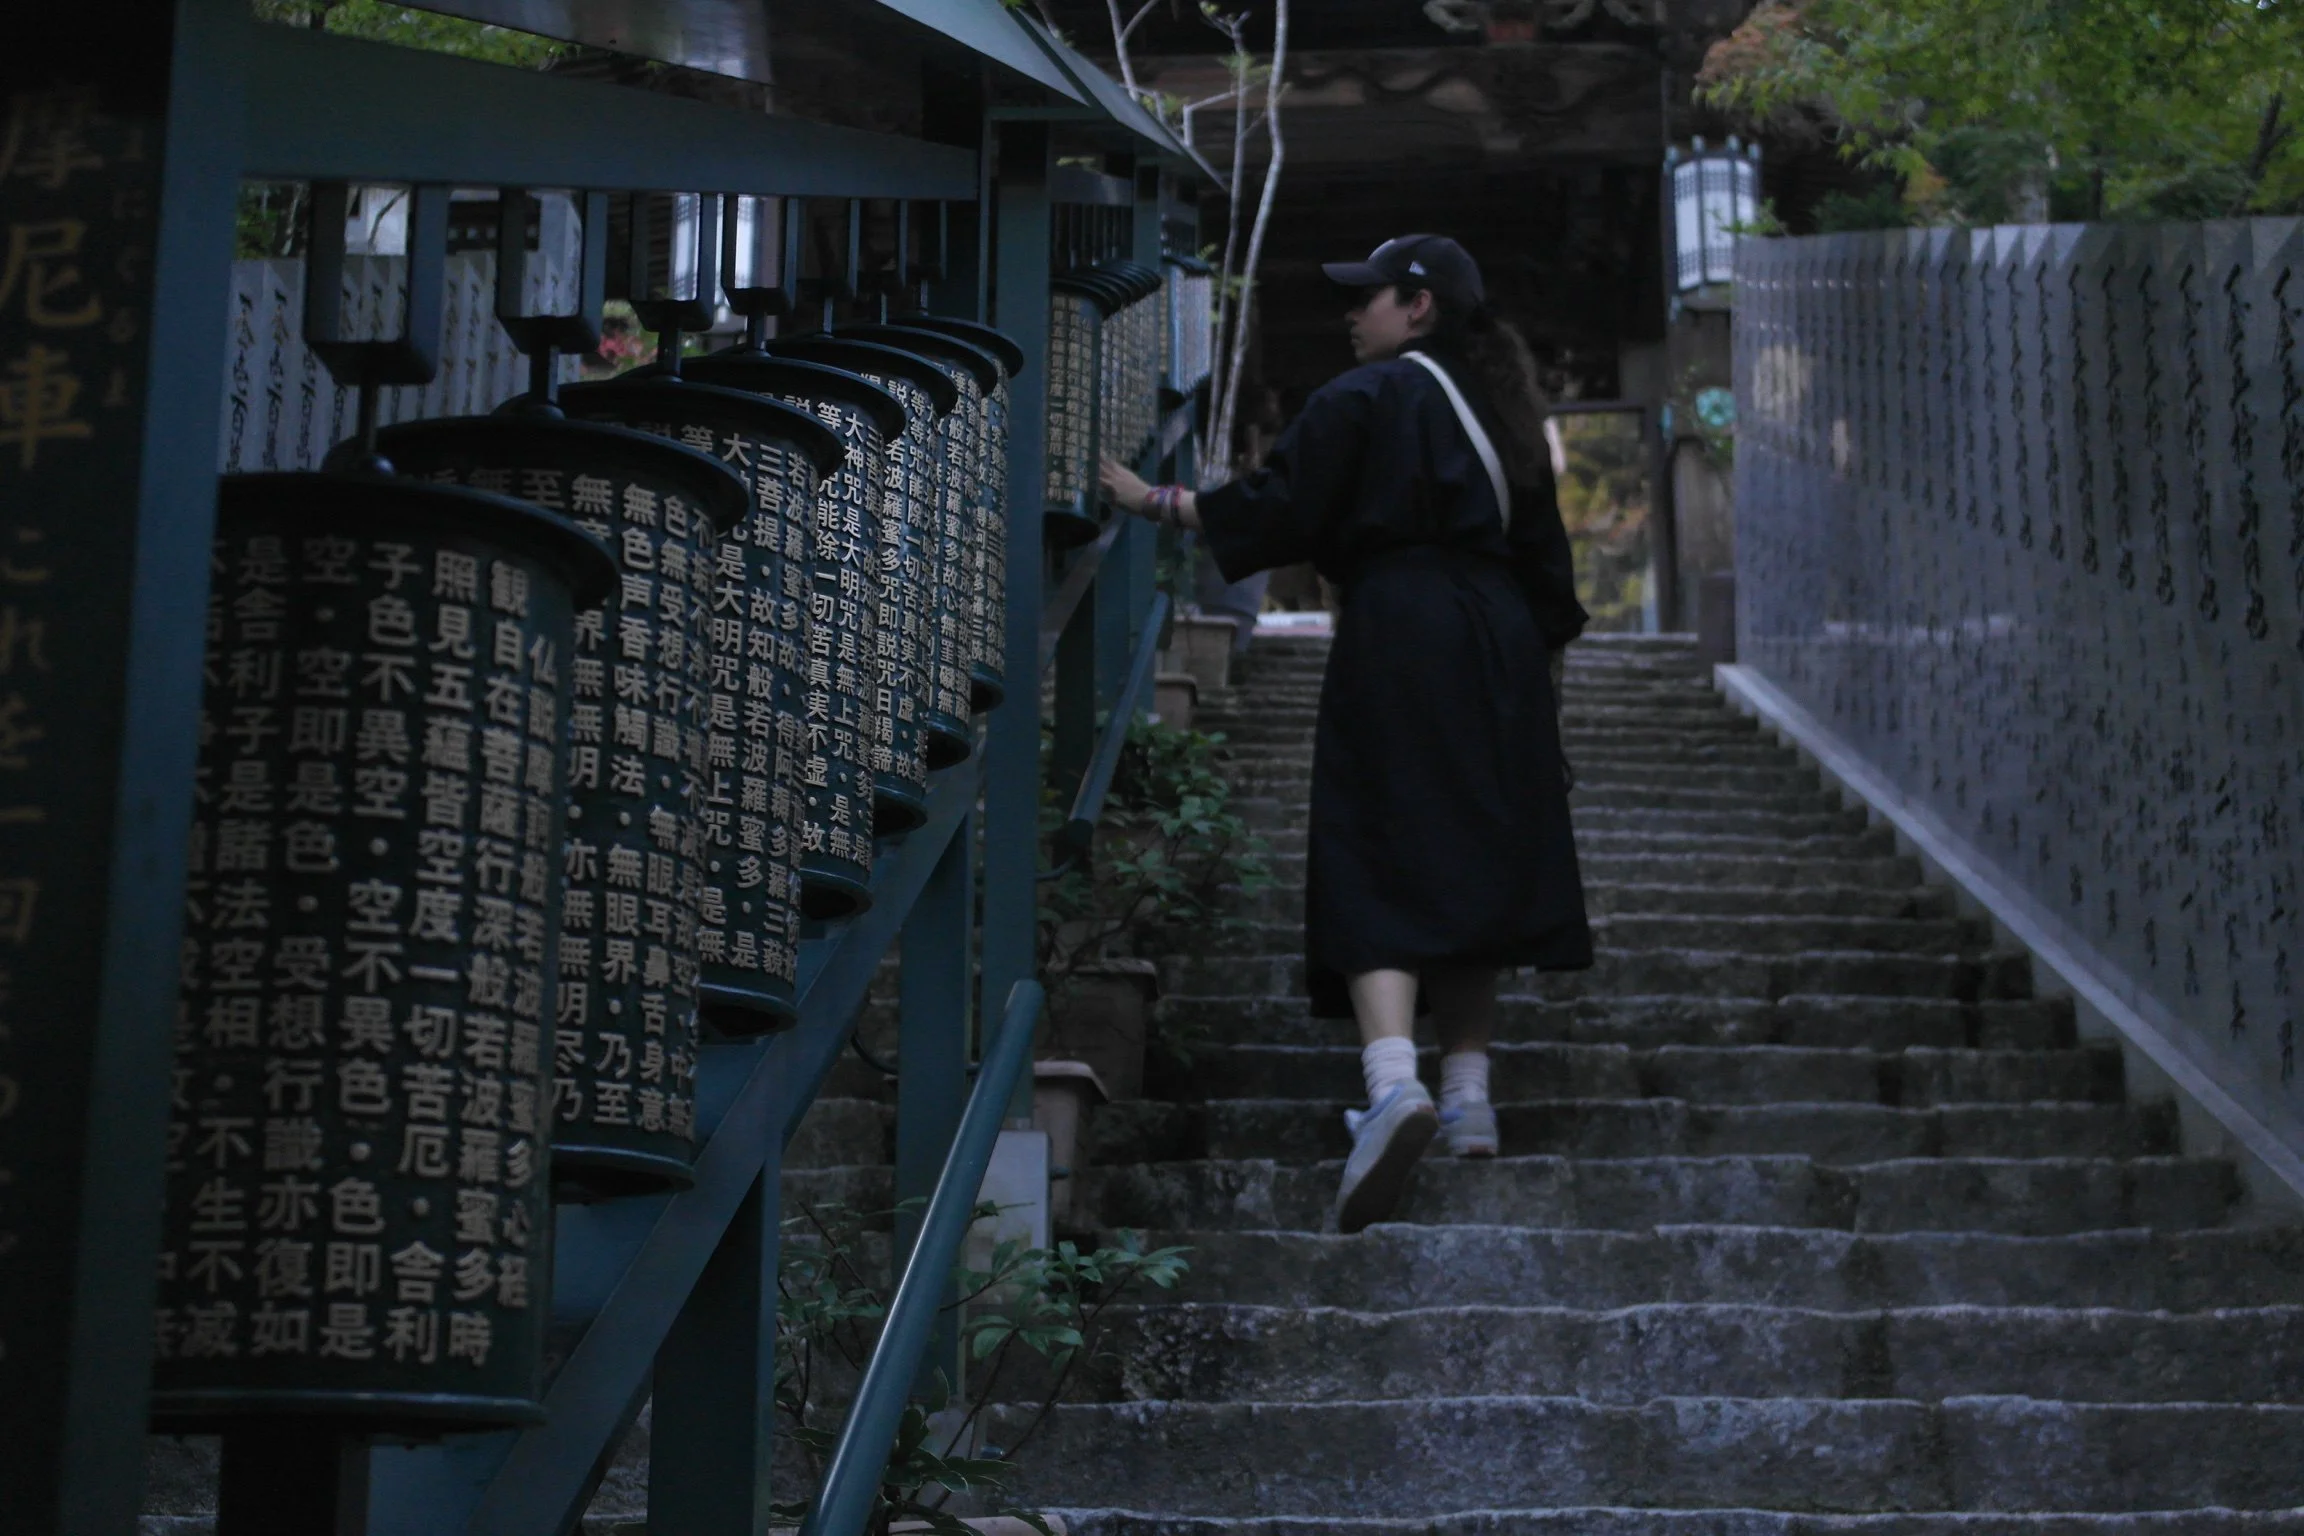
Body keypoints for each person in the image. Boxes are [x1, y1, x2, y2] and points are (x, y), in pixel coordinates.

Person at [1100, 234, 1593, 1234]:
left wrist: (1156, 500)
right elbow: (1551, 572)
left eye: (1367, 296)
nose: (1350, 312)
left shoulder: (1365, 399)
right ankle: (1469, 1099)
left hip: (1401, 629)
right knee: (1476, 852)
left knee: (1378, 834)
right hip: (1500, 642)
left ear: (1418, 305)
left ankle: (1391, 1083)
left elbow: (1286, 506)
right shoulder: (1508, 416)